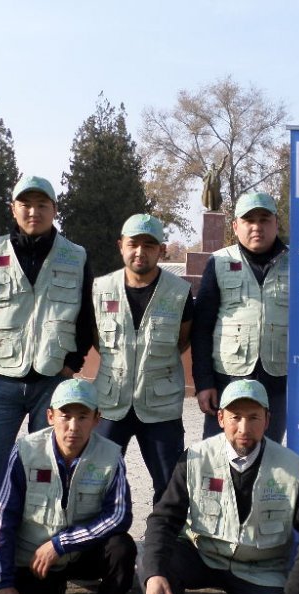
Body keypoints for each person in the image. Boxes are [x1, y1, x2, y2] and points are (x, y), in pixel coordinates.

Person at [139, 380, 299, 594]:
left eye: (253, 417)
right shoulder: (195, 458)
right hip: (203, 555)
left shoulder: (289, 466)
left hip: (259, 570)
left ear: (267, 420)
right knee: (149, 560)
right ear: (221, 418)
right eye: (235, 417)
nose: (244, 428)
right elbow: (163, 519)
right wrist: (153, 573)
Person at [0, 175, 94, 519]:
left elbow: (86, 315)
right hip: (0, 381)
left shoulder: (75, 256)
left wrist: (72, 363)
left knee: (46, 471)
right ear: (13, 209)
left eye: (41, 205)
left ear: (54, 209)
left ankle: (35, 539)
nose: (33, 212)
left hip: (51, 380)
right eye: (26, 204)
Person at [0, 379, 135, 594]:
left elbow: (119, 515)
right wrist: (2, 583)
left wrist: (61, 544)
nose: (73, 427)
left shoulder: (111, 455)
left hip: (79, 554)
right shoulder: (25, 451)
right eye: (65, 416)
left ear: (97, 419)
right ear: (50, 416)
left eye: (83, 417)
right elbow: (3, 518)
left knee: (122, 548)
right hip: (34, 560)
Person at [91, 213, 192, 504]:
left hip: (161, 406)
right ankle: (103, 531)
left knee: (170, 487)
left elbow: (182, 340)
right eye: (133, 244)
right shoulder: (100, 289)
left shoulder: (179, 292)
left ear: (161, 250)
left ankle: (163, 534)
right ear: (120, 245)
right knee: (97, 482)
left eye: (149, 245)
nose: (140, 251)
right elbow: (96, 339)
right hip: (111, 403)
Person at [191, 192, 289, 442]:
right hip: (227, 380)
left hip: (278, 382)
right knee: (218, 453)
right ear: (235, 226)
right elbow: (201, 328)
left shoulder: (298, 263)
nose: (257, 227)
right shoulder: (219, 262)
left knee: (269, 453)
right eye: (249, 220)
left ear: (276, 223)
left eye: (264, 219)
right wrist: (204, 382)